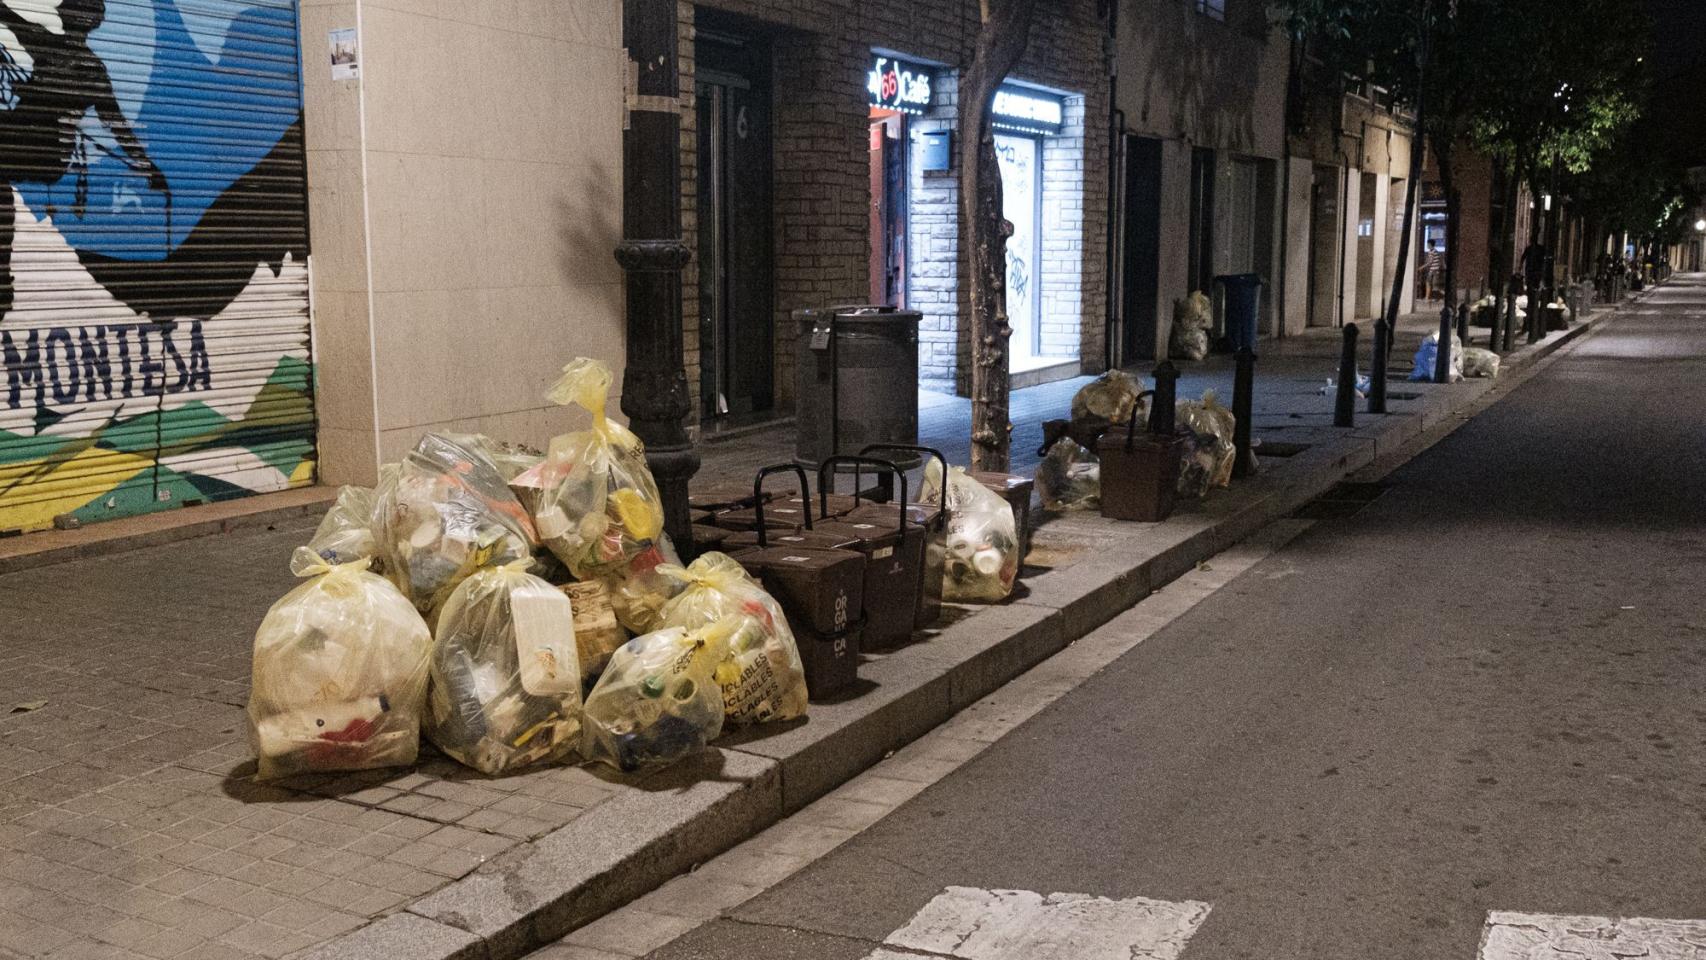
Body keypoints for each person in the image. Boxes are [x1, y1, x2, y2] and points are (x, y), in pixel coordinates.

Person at [0, 0, 165, 320]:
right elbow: (119, 128)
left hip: (40, 151)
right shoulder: (85, 64)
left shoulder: (58, 50)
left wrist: (148, 167)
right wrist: (149, 168)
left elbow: (117, 127)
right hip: (35, 147)